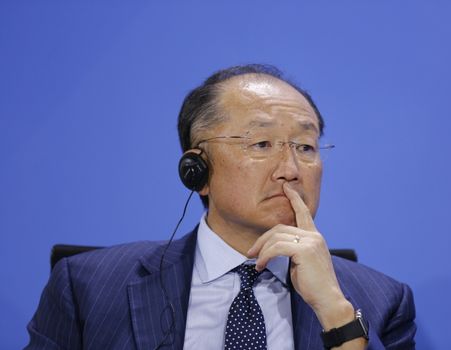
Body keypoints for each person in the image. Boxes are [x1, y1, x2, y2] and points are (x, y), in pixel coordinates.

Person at [25, 64, 416, 349]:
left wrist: (336, 314)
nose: (291, 170)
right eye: (261, 144)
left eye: (306, 147)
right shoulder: (87, 288)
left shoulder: (380, 301)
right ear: (198, 170)